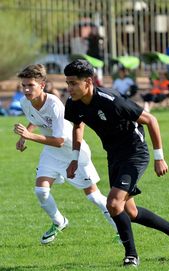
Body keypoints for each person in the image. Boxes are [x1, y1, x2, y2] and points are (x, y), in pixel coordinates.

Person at [64, 59, 169, 267]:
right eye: (67, 83)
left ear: (88, 81)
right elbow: (77, 127)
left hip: (135, 153)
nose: (69, 88)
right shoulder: (73, 103)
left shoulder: (111, 100)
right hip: (114, 156)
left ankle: (131, 255)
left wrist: (159, 157)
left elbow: (151, 120)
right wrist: (74, 159)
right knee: (129, 212)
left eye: (73, 83)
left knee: (113, 204)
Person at [13, 64, 117, 245]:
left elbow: (60, 140)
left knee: (93, 196)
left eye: (31, 85)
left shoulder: (55, 104)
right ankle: (59, 222)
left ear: (42, 85)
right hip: (51, 153)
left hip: (73, 152)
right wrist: (25, 138)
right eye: (24, 86)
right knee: (41, 191)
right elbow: (34, 119)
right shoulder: (25, 102)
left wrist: (30, 135)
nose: (27, 89)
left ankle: (119, 228)